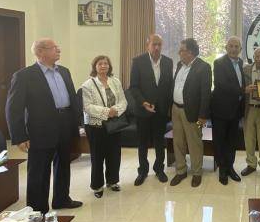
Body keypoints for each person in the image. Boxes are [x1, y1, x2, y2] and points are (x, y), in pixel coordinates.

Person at [5, 38, 82, 213]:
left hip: (65, 124)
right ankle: (37, 209)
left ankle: (62, 199)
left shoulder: (64, 71)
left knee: (63, 164)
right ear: (40, 52)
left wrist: (77, 124)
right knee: (39, 170)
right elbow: (13, 108)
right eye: (54, 47)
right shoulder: (24, 75)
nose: (59, 50)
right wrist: (19, 136)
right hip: (40, 129)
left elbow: (72, 99)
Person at [129, 34, 174, 185]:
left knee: (160, 142)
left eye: (159, 44)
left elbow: (169, 85)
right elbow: (133, 87)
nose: (157, 47)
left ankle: (159, 169)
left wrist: (168, 106)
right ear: (147, 45)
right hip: (143, 110)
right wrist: (143, 103)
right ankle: (142, 171)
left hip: (161, 111)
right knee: (142, 143)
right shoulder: (138, 61)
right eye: (154, 44)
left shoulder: (168, 62)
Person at [81, 55, 127, 198]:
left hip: (114, 124)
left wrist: (116, 110)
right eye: (100, 64)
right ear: (95, 67)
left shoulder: (115, 81)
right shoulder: (87, 85)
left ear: (109, 66)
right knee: (97, 156)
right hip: (96, 126)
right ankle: (97, 185)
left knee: (114, 155)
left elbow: (123, 101)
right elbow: (87, 107)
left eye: (106, 63)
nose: (103, 66)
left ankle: (112, 181)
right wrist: (107, 112)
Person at [170, 38, 212, 188]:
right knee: (178, 142)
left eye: (181, 50)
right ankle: (181, 170)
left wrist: (202, 116)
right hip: (176, 109)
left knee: (195, 143)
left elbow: (206, 94)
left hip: (193, 112)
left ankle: (196, 172)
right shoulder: (179, 65)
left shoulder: (203, 67)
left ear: (190, 52)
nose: (179, 52)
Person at [211, 36, 245, 185]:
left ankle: (230, 167)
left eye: (236, 46)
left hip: (235, 110)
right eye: (231, 46)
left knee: (232, 141)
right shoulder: (219, 63)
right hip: (221, 109)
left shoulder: (241, 63)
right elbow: (221, 84)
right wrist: (243, 90)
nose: (233, 49)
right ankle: (222, 169)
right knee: (220, 140)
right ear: (226, 48)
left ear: (240, 49)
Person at [241, 47, 260, 178]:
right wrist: (245, 89)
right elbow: (239, 87)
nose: (259, 59)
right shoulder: (245, 70)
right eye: (257, 56)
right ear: (253, 57)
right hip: (249, 109)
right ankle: (251, 164)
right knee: (249, 138)